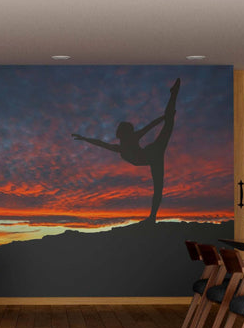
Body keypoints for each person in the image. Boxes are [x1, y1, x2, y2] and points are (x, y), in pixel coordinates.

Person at [72, 78, 180, 223]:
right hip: (153, 156)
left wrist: (164, 117)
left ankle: (173, 94)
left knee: (168, 124)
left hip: (153, 154)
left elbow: (150, 126)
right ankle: (152, 217)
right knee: (158, 188)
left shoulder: (131, 139)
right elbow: (100, 143)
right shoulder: (121, 147)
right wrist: (84, 138)